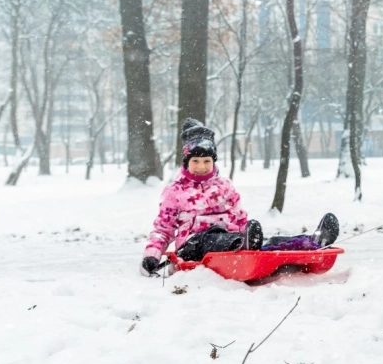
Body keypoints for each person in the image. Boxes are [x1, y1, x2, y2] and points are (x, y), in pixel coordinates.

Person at [140, 118, 339, 276]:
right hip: (193, 245)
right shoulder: (175, 192)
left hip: (230, 238)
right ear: (186, 162)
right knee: (212, 238)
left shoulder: (224, 187)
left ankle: (310, 242)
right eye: (196, 161)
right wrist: (152, 256)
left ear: (213, 161)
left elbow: (239, 220)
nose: (201, 166)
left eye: (206, 161)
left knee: (264, 241)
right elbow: (162, 230)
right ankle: (242, 245)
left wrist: (246, 234)